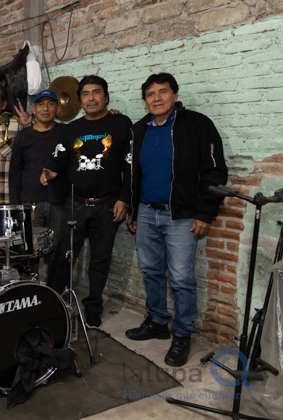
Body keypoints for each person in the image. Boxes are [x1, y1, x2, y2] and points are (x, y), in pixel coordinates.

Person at [125, 72, 228, 367]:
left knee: (181, 278)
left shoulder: (197, 124)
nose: (156, 98)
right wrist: (133, 211)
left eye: (163, 92)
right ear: (145, 100)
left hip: (181, 216)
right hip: (146, 212)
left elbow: (214, 172)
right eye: (150, 94)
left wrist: (205, 213)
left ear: (175, 94)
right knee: (151, 271)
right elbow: (131, 174)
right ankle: (158, 321)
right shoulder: (139, 130)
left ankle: (182, 333)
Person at [41, 76, 132, 329]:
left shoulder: (121, 124)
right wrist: (50, 170)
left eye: (97, 92)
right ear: (80, 100)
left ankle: (93, 307)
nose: (91, 98)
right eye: (86, 94)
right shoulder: (71, 129)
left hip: (108, 204)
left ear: (106, 97)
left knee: (100, 260)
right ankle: (52, 301)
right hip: (75, 204)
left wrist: (124, 199)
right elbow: (59, 157)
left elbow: (130, 166)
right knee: (63, 256)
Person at [9, 89, 69, 283]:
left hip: (58, 202)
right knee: (30, 250)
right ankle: (31, 287)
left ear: (57, 109)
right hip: (30, 203)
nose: (45, 108)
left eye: (50, 104)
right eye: (40, 104)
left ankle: (52, 291)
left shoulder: (66, 133)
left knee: (56, 250)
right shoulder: (23, 137)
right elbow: (15, 172)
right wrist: (15, 204)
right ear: (33, 110)